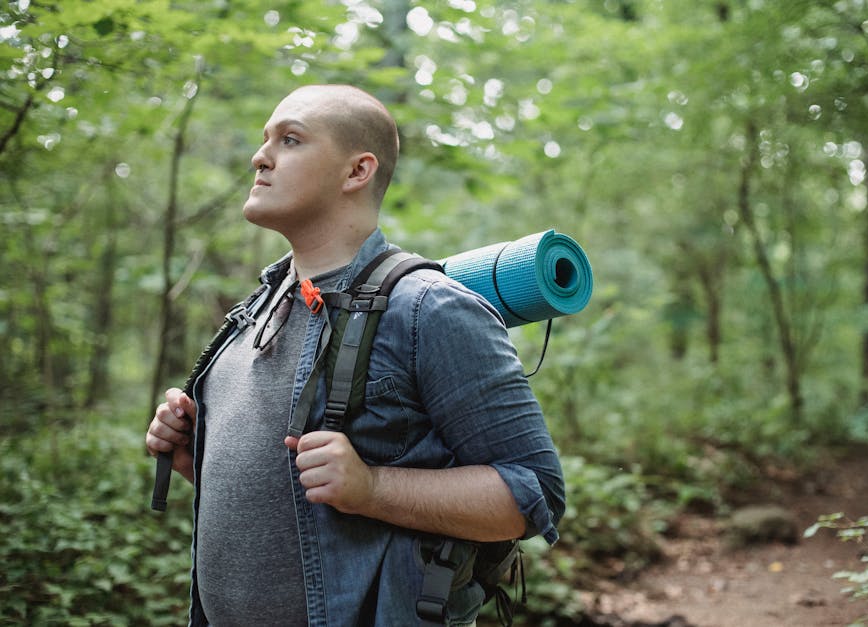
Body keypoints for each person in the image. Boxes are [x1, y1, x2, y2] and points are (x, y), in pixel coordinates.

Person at [145, 84, 565, 626]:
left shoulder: (428, 310)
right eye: (264, 139)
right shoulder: (255, 310)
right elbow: (291, 501)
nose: (259, 156)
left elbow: (535, 494)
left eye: (290, 139)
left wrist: (373, 489)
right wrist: (193, 456)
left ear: (356, 172)